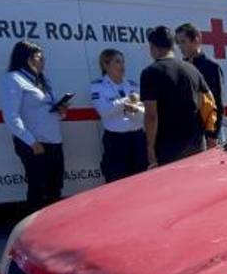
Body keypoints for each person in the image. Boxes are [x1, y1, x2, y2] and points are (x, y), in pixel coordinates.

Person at [2, 40, 69, 210]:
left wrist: (60, 110)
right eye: (39, 57)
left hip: (53, 140)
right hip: (35, 144)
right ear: (27, 59)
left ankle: (55, 227)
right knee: (38, 189)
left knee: (55, 187)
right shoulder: (14, 79)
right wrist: (31, 142)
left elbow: (46, 111)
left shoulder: (42, 80)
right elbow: (11, 116)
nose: (43, 61)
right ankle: (34, 230)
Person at [139, 25, 216, 167]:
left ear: (153, 47)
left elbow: (151, 116)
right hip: (196, 143)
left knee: (172, 187)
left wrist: (150, 148)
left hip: (168, 148)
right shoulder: (192, 69)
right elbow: (208, 101)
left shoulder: (150, 73)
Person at [90, 49, 147, 183]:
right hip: (116, 142)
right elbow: (103, 111)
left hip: (137, 139)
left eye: (123, 62)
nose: (122, 66)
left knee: (141, 181)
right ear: (105, 65)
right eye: (117, 62)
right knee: (117, 181)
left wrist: (135, 109)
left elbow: (145, 111)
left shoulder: (133, 85)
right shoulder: (98, 87)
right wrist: (125, 101)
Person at [175, 23, 224, 148]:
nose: (180, 47)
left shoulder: (210, 67)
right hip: (186, 134)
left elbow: (217, 102)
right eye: (178, 42)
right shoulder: (180, 67)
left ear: (196, 40)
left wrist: (213, 135)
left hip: (206, 133)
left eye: (183, 41)